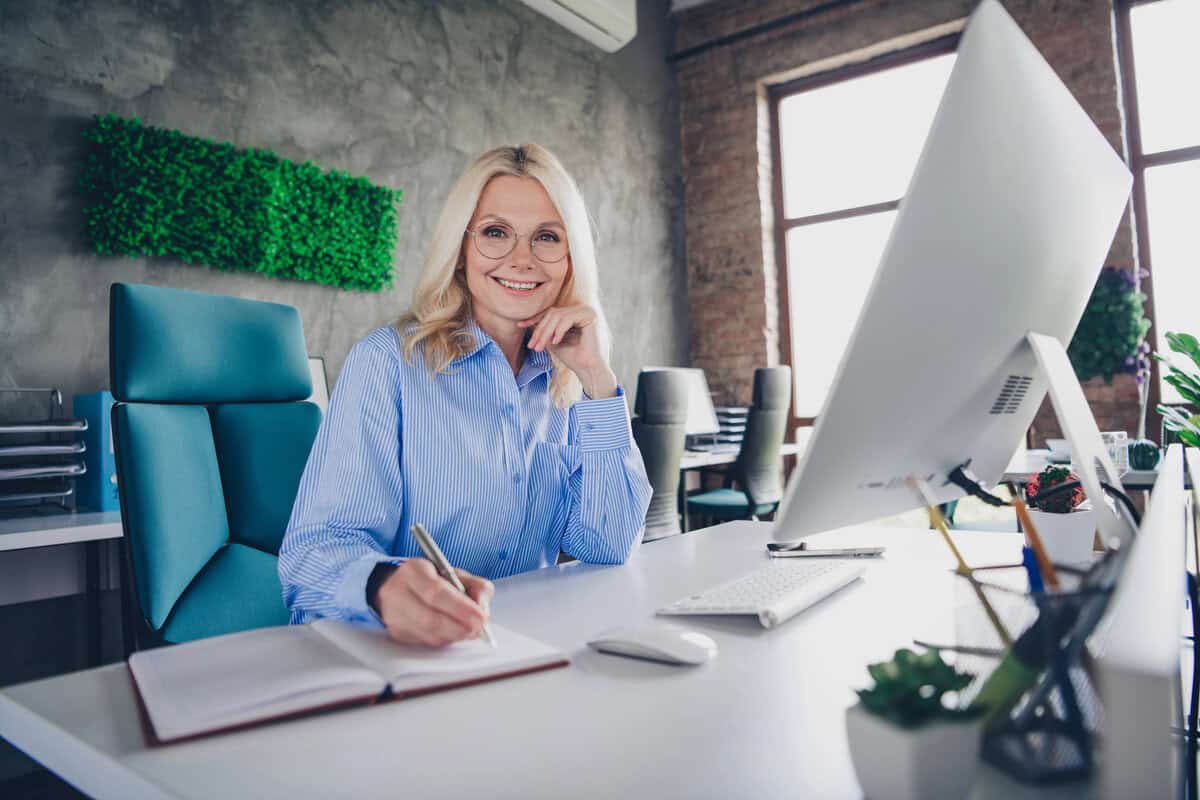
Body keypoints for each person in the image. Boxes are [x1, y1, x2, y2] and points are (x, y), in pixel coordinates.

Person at [279, 144, 653, 647]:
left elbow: (607, 544)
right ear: (461, 250)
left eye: (547, 237)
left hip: (516, 647)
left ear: (570, 261)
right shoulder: (388, 362)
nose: (521, 259)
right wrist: (383, 587)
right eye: (495, 233)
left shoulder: (565, 384)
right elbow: (313, 555)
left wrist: (597, 380)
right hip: (391, 654)